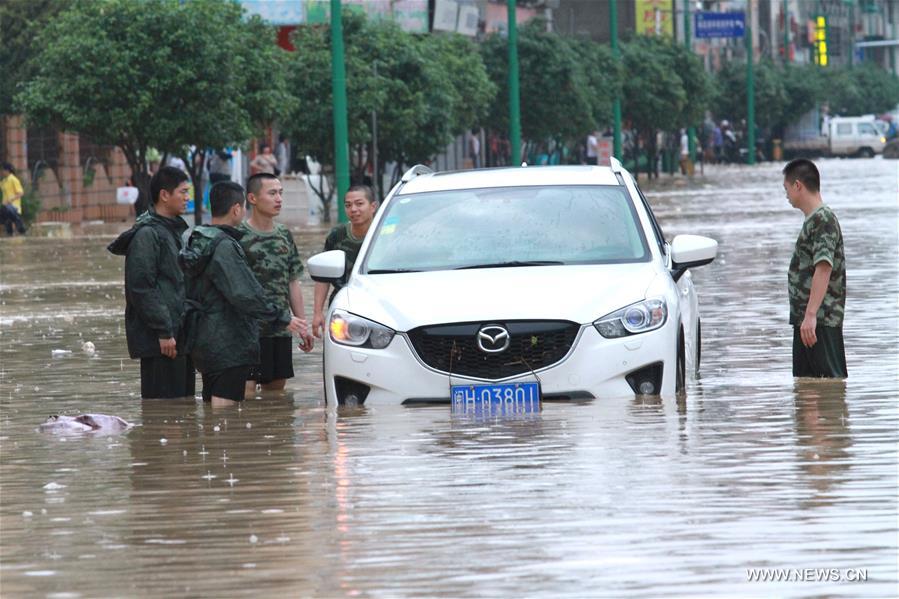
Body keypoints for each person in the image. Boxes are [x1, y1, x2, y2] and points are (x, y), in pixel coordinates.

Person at [180, 182, 307, 406]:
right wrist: (282, 317)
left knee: (211, 403)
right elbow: (245, 294)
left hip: (202, 337)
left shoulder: (197, 239)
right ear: (236, 209)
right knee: (226, 410)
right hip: (228, 341)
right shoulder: (224, 246)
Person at [107, 166, 195, 398]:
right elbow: (141, 287)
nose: (187, 198)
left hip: (179, 335)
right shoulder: (147, 234)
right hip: (161, 341)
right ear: (164, 195)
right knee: (164, 409)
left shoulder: (173, 231)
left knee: (183, 407)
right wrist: (163, 331)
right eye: (183, 192)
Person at [238, 173, 314, 393]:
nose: (279, 199)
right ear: (252, 198)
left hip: (281, 329)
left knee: (276, 395)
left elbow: (293, 282)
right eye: (272, 193)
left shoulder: (284, 234)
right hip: (247, 331)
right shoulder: (238, 235)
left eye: (280, 193)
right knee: (245, 392)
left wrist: (303, 325)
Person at [783, 158, 847, 379]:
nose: (786, 195)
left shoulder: (823, 219)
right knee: (807, 387)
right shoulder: (813, 220)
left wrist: (811, 315)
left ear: (798, 185)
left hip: (820, 321)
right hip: (807, 322)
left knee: (828, 386)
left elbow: (824, 267)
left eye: (786, 188)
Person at [312, 185, 378, 339]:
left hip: (376, 304)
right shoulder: (337, 235)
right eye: (348, 205)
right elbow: (323, 276)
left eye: (359, 204)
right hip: (343, 306)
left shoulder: (385, 234)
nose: (353, 209)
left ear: (373, 206)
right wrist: (317, 313)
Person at [0, 162, 27, 235]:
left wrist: (10, 200)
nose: (1, 172)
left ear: (7, 170)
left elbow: (21, 193)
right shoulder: (4, 181)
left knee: (8, 212)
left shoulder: (13, 179)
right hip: (5, 207)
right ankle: (14, 232)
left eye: (2, 170)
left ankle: (21, 228)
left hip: (14, 207)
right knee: (8, 224)